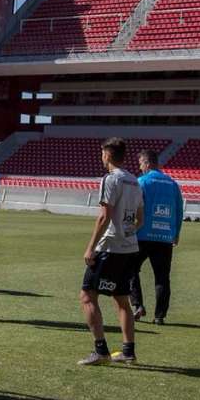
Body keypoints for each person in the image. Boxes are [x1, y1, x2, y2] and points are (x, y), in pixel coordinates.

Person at [78, 137, 144, 366]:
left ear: (107, 155)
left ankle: (101, 351)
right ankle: (128, 351)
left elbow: (104, 217)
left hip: (109, 247)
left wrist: (91, 247)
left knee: (87, 296)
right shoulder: (135, 181)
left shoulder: (110, 179)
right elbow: (140, 218)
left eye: (102, 153)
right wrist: (128, 233)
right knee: (122, 299)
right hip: (130, 247)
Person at [129, 149, 183, 325]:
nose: (140, 168)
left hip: (142, 234)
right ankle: (160, 316)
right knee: (162, 277)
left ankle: (137, 305)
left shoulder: (141, 182)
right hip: (164, 237)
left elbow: (134, 208)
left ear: (146, 163)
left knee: (130, 270)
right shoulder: (173, 184)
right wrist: (176, 234)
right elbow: (178, 211)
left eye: (140, 164)